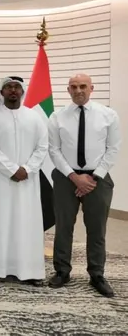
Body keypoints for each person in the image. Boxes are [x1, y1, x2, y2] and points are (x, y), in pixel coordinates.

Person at [48, 73, 121, 297]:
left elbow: (113, 149)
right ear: (68, 90)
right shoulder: (57, 116)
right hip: (65, 178)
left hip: (98, 179)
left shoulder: (108, 115)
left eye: (82, 86)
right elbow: (54, 150)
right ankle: (62, 271)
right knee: (63, 227)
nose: (78, 90)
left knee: (97, 229)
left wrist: (93, 177)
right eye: (73, 87)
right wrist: (74, 177)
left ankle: (97, 274)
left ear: (91, 88)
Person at [0, 76, 48, 287]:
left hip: (28, 180)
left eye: (16, 87)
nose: (12, 90)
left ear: (22, 91)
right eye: (8, 87)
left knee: (27, 222)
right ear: (1, 92)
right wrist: (11, 169)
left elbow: (42, 146)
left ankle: (29, 270)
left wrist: (26, 169)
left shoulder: (34, 116)